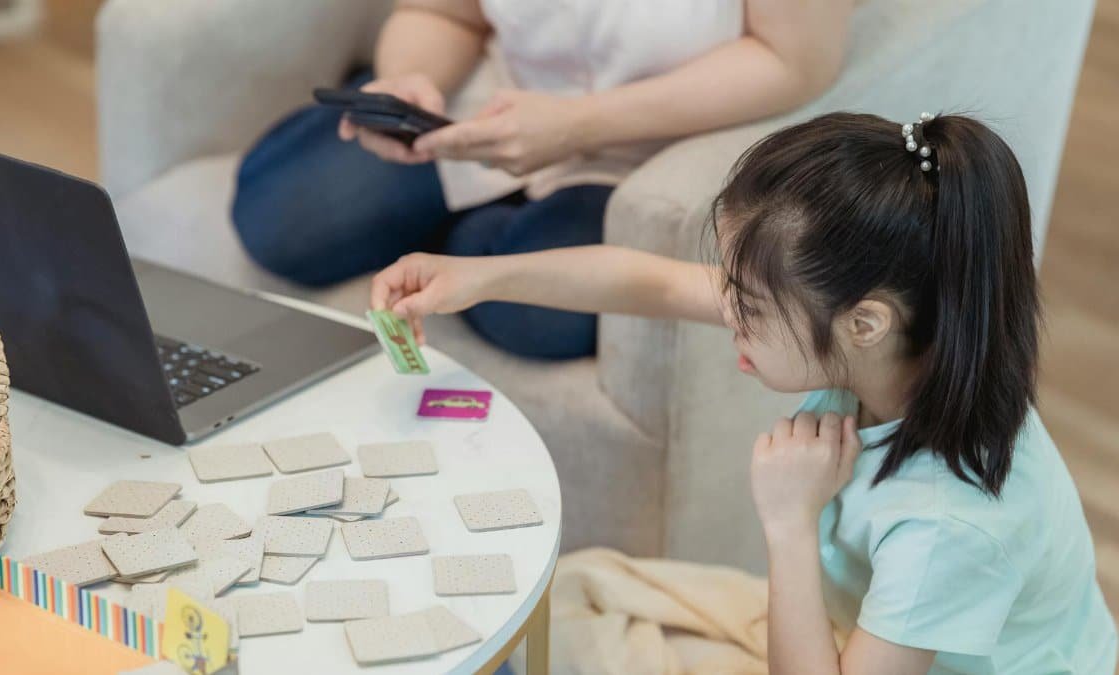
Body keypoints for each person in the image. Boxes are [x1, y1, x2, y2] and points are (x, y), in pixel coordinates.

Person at [368, 111, 1119, 674]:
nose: (726, 309)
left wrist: (789, 521)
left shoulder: (947, 524)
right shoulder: (911, 348)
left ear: (865, 321)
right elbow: (650, 279)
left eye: (750, 305)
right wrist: (477, 278)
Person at [231, 0, 853, 359]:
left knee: (536, 318)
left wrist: (580, 124)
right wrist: (408, 78)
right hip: (489, 98)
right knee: (276, 214)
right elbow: (444, 10)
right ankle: (472, 223)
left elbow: (794, 61)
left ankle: (471, 233)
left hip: (651, 141)